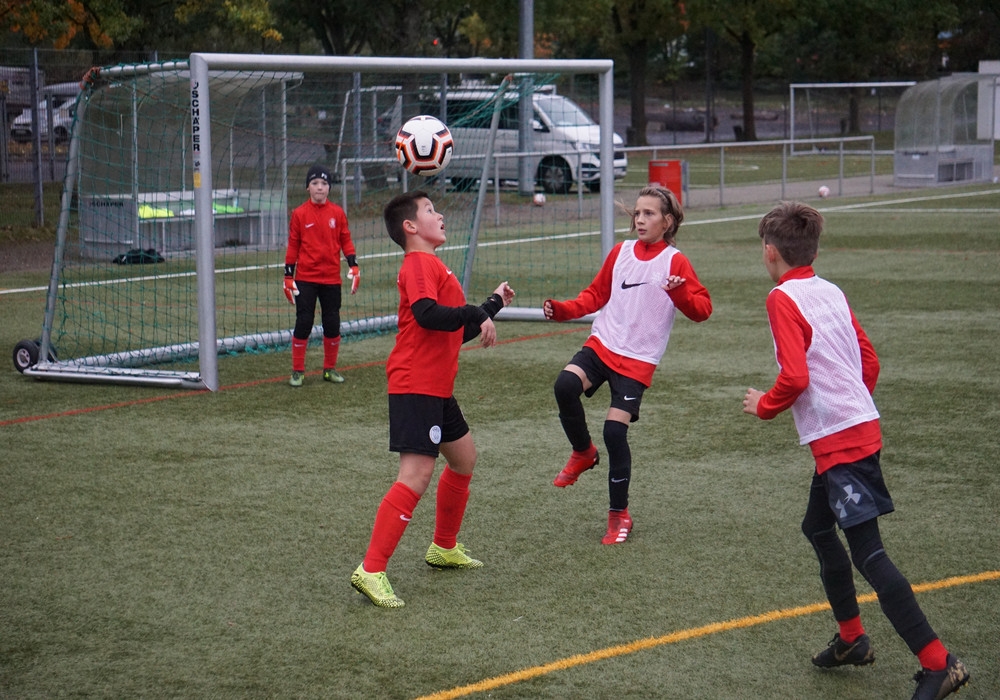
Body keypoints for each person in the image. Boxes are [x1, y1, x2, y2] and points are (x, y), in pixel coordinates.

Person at [741, 202, 969, 700]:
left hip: (843, 440)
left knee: (869, 553)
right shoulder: (830, 290)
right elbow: (869, 360)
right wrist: (853, 405)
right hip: (854, 429)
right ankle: (852, 639)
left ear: (770, 251)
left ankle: (940, 663)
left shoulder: (781, 298)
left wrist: (764, 406)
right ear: (814, 250)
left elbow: (795, 377)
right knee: (818, 527)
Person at [351, 190, 515, 609]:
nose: (439, 214)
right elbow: (426, 313)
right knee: (415, 476)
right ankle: (371, 569)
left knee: (464, 459)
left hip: (436, 385)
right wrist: (475, 312)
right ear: (410, 226)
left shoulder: (434, 265)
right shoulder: (419, 263)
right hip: (416, 383)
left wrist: (491, 305)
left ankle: (443, 547)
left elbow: (453, 330)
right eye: (429, 210)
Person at [543, 185, 712, 544]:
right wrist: (562, 310)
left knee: (614, 433)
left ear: (667, 221)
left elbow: (703, 310)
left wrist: (679, 292)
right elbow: (595, 295)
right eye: (637, 213)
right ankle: (582, 452)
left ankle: (619, 515)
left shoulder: (675, 261)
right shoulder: (620, 252)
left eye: (649, 213)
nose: (640, 219)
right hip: (603, 344)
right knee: (565, 386)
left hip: (637, 360)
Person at [283, 163, 360, 387]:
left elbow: (346, 239)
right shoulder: (299, 214)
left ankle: (329, 369)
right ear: (308, 187)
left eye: (324, 183)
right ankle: (298, 371)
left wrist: (353, 265)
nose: (319, 187)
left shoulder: (337, 213)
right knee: (304, 321)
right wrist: (288, 275)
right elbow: (293, 245)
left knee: (332, 323)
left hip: (332, 279)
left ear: (329, 187)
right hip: (306, 279)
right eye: (315, 183)